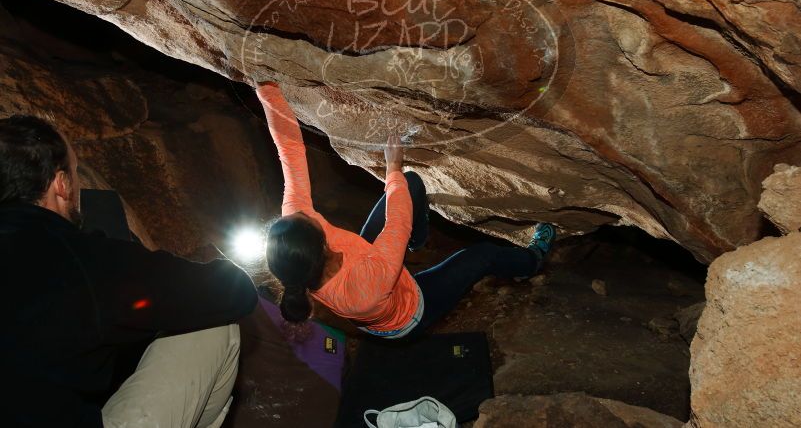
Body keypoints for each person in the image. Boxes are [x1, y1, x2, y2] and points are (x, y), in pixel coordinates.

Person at [0, 115, 258, 428]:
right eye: (76, 171)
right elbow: (233, 293)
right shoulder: (77, 256)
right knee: (215, 327)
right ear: (62, 184)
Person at [257, 82, 556, 340]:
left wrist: (266, 89)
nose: (300, 211)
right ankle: (532, 261)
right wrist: (392, 169)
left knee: (410, 185)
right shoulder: (361, 292)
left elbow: (290, 154)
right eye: (306, 219)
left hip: (368, 260)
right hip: (410, 309)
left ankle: (416, 243)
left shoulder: (296, 229)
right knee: (483, 256)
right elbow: (396, 224)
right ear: (322, 244)